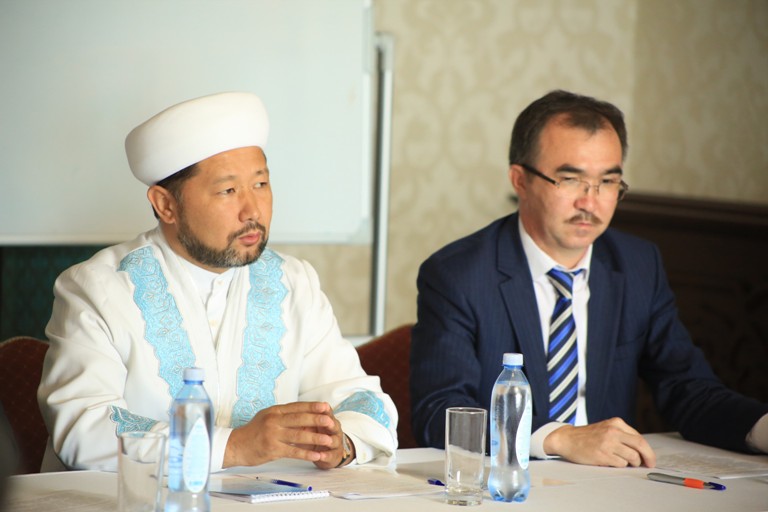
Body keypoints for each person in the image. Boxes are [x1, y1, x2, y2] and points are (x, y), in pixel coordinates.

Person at [38, 91, 397, 472]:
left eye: (261, 184)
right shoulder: (96, 289)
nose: (252, 210)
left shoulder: (293, 282)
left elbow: (361, 399)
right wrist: (234, 447)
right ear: (166, 205)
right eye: (228, 190)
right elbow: (83, 428)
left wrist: (342, 443)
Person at [410, 89, 768, 467]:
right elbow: (441, 412)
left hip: (608, 484)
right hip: (507, 482)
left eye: (607, 182)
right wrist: (559, 438)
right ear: (520, 180)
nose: (590, 202)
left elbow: (688, 388)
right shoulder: (458, 275)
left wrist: (762, 428)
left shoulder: (637, 266)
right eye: (570, 179)